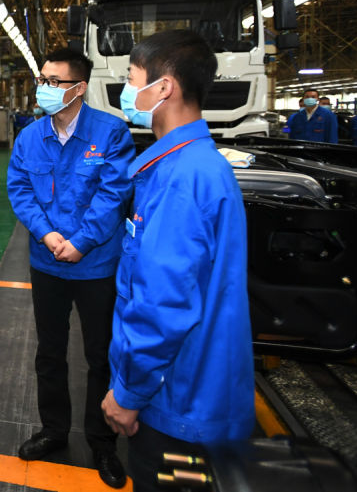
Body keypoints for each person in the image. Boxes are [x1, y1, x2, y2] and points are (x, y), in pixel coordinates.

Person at [102, 30, 254, 492]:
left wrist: (128, 393)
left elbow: (162, 304)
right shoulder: (195, 164)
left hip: (178, 404)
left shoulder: (182, 179)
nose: (127, 91)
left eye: (132, 79)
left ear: (163, 87)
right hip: (196, 392)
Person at [6, 47, 134, 488]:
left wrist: (81, 241)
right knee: (49, 351)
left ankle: (102, 443)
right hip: (47, 263)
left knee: (100, 354)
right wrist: (47, 234)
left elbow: (113, 194)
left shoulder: (111, 133)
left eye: (53, 81)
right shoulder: (30, 136)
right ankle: (53, 430)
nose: (43, 88)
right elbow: (20, 189)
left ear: (78, 88)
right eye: (41, 79)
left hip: (96, 264)